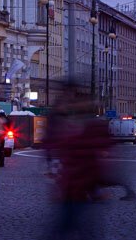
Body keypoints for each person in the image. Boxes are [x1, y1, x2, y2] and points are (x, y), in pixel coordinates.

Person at [45, 84, 114, 238]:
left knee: (69, 230)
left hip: (79, 190)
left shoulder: (90, 128)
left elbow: (95, 162)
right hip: (73, 190)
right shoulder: (70, 126)